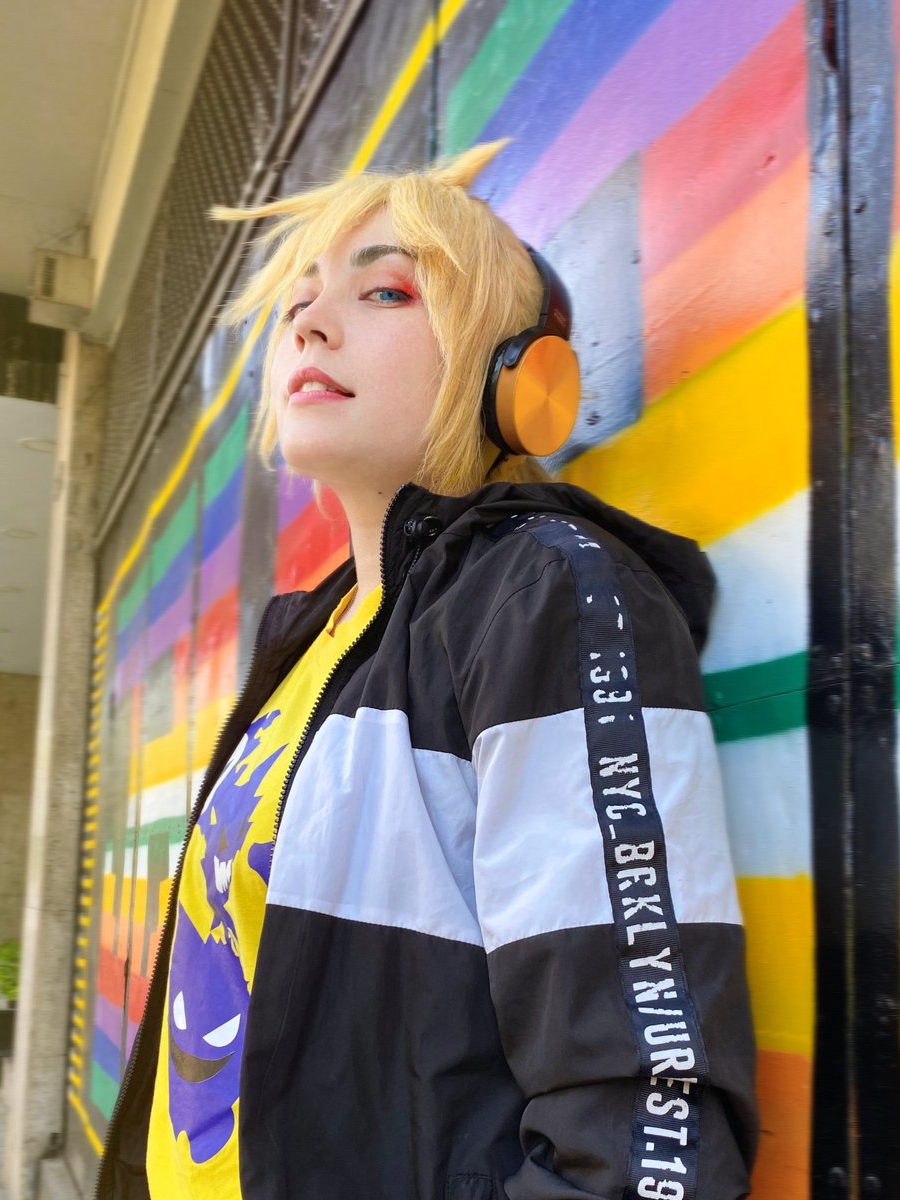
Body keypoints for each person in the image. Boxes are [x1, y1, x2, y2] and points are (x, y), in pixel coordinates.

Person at [97, 142, 757, 1200]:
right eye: (299, 301)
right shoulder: (314, 637)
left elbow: (638, 1127)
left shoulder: (540, 594)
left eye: (388, 292)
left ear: (524, 378)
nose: (311, 324)